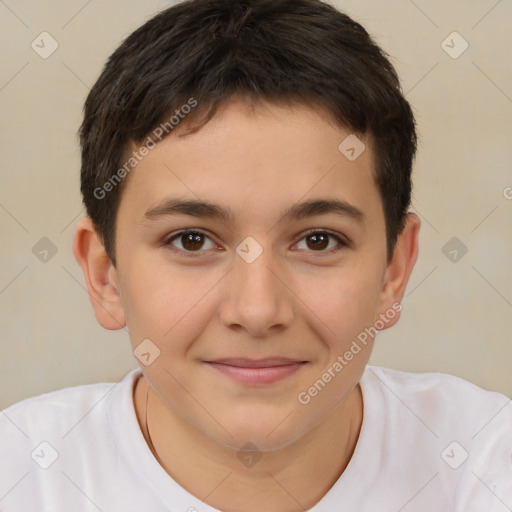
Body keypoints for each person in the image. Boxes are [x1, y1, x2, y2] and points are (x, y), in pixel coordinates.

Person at [1, 0, 510, 510]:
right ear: (104, 274)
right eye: (192, 240)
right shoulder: (22, 476)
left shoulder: (484, 465)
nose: (258, 311)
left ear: (393, 273)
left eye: (318, 240)